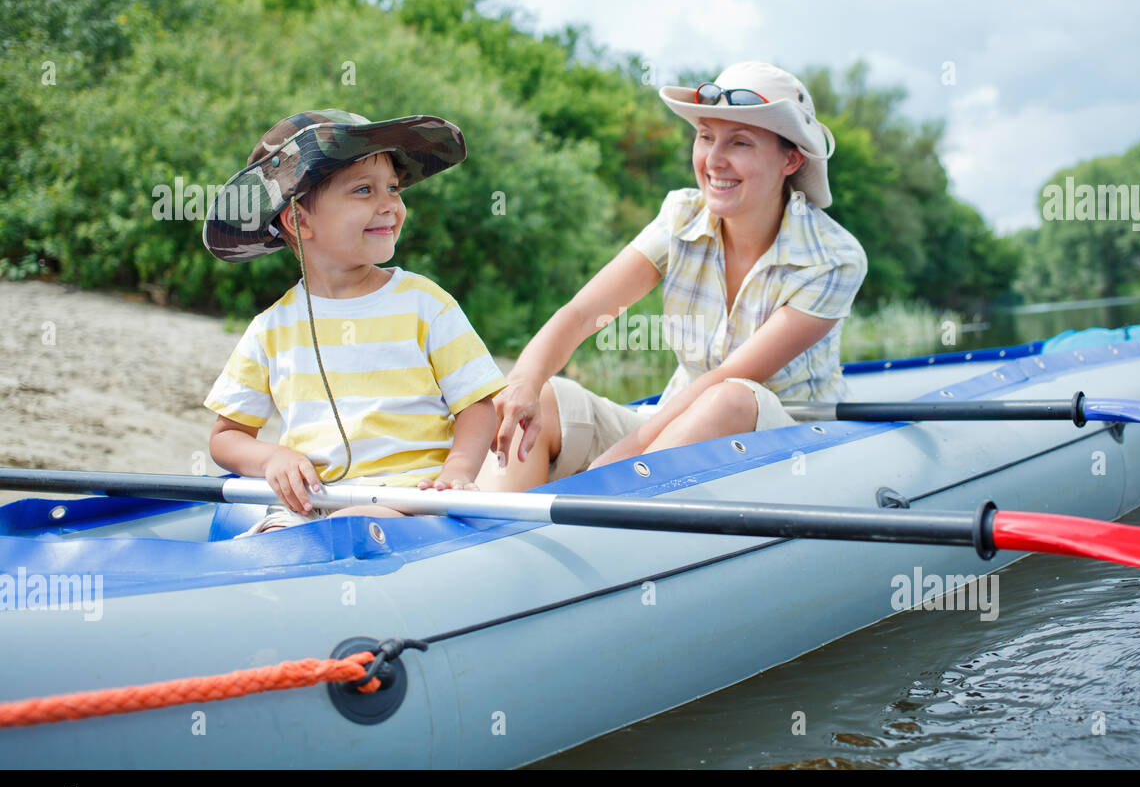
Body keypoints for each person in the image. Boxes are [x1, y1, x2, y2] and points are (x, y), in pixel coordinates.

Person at [478, 62, 867, 491]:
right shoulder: (680, 215)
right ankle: (494, 538)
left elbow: (728, 379)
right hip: (676, 424)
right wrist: (524, 383)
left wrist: (606, 472)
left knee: (730, 395)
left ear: (791, 158)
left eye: (739, 142)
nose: (714, 160)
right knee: (547, 398)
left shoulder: (835, 258)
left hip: (789, 440)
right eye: (705, 137)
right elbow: (583, 312)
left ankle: (608, 507)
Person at [201, 109, 505, 532]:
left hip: (409, 499)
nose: (390, 206)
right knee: (272, 537)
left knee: (352, 528)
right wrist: (274, 457)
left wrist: (456, 471)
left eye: (394, 189)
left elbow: (476, 403)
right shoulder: (271, 328)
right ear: (298, 219)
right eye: (364, 190)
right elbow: (225, 437)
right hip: (311, 502)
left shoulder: (423, 303)